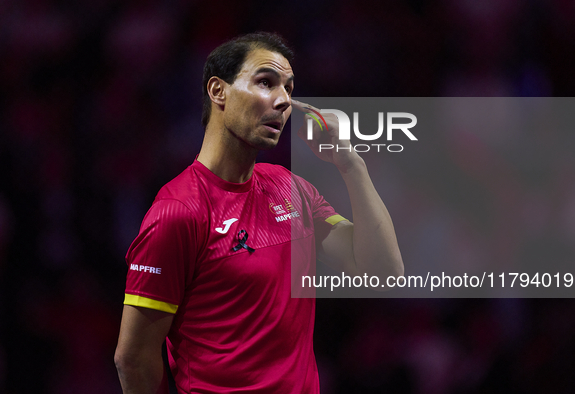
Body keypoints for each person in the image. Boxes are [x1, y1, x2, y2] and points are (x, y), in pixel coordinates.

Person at [114, 32, 403, 394]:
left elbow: (384, 271)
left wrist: (351, 163)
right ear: (218, 91)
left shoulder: (292, 189)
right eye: (266, 82)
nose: (283, 100)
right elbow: (133, 359)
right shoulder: (179, 212)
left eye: (289, 89)